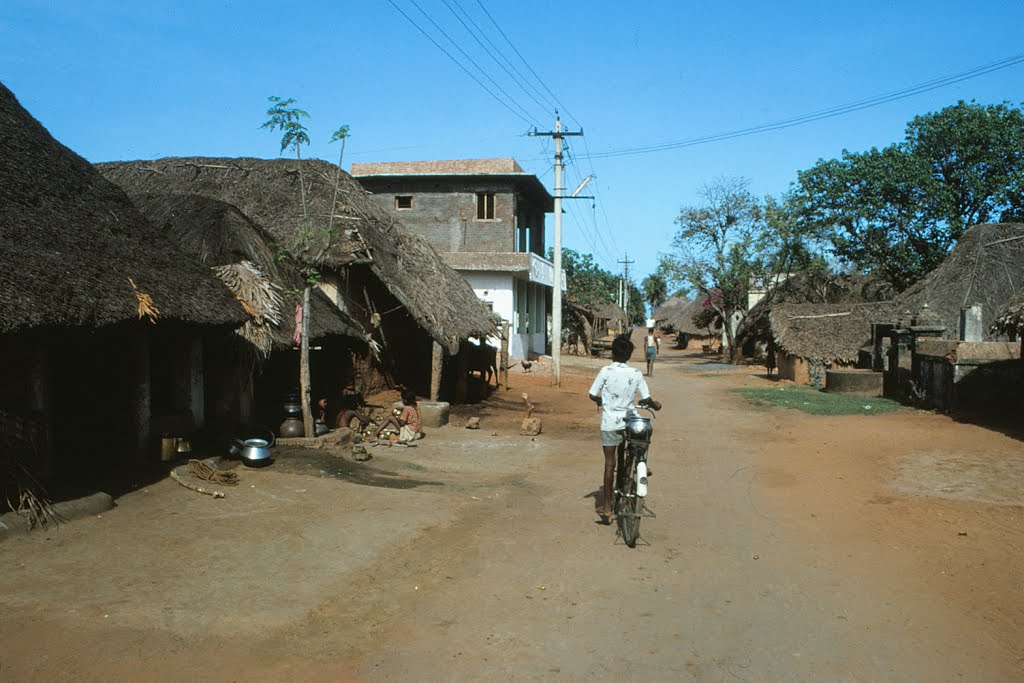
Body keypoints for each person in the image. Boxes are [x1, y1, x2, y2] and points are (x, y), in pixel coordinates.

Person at [588, 336, 661, 523]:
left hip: (610, 422)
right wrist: (655, 404)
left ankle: (606, 508)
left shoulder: (605, 371)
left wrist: (601, 401)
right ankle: (641, 459)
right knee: (644, 433)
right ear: (629, 355)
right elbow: (646, 398)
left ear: (612, 353)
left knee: (610, 464)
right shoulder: (635, 373)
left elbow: (592, 394)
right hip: (629, 421)